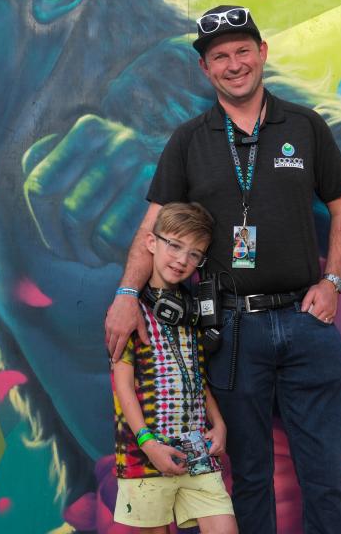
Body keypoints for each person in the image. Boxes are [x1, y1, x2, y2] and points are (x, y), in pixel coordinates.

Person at [105, 5, 341, 533]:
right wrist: (127, 292)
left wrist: (332, 281)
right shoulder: (188, 140)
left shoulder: (306, 127)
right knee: (248, 476)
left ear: (262, 53)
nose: (234, 63)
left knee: (325, 474)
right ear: (206, 69)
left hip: (306, 323)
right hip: (230, 330)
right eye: (220, 56)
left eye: (243, 50)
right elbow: (151, 228)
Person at [112, 202, 236, 534]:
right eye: (175, 245)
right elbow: (122, 386)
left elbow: (198, 378)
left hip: (196, 446)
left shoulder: (191, 311)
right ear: (151, 242)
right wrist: (148, 443)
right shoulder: (129, 312)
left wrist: (219, 424)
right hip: (146, 452)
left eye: (195, 254)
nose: (182, 259)